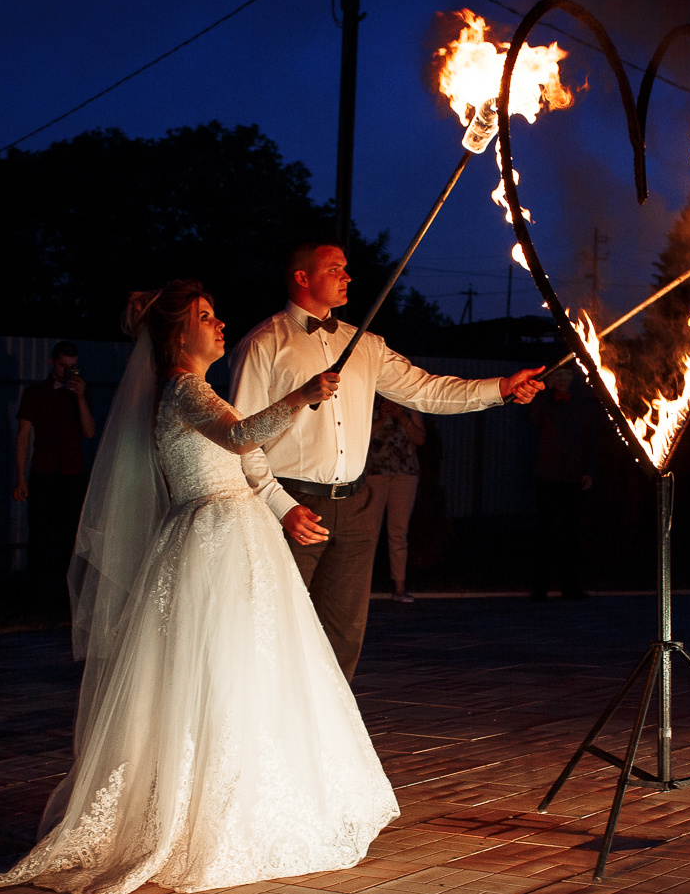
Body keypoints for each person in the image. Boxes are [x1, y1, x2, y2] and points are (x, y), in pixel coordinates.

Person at [0, 280, 397, 894]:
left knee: (251, 670)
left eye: (217, 313)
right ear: (177, 334)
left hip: (240, 535)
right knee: (216, 670)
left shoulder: (200, 390)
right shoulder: (180, 386)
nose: (219, 323)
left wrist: (280, 503)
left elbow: (246, 455)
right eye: (205, 316)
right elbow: (239, 437)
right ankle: (209, 812)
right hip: (210, 540)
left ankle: (255, 797)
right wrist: (303, 395)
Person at [230, 243, 544, 678]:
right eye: (334, 268)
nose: (347, 276)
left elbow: (427, 390)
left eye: (346, 268)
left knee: (343, 634)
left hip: (358, 507)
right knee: (274, 627)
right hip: (294, 507)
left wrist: (502, 388)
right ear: (302, 277)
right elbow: (242, 440)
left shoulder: (365, 345)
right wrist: (281, 508)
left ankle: (330, 736)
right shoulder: (263, 344)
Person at [14, 341, 94, 600]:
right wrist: (21, 478)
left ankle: (65, 597)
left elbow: (89, 431)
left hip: (73, 474)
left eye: (73, 366)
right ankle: (39, 595)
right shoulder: (35, 393)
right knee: (41, 534)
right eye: (64, 366)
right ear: (52, 362)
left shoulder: (78, 393)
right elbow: (23, 436)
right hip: (44, 472)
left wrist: (80, 397)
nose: (68, 371)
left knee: (69, 536)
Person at [528, 365, 599, 600]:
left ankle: (571, 587)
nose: (562, 380)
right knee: (544, 533)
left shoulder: (582, 402)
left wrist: (588, 470)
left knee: (572, 534)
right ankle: (539, 587)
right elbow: (534, 418)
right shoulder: (545, 401)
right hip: (547, 475)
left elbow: (590, 436)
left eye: (567, 376)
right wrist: (545, 393)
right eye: (558, 376)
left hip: (572, 477)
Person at [361, 397, 425, 604]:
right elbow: (360, 437)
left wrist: (402, 417)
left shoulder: (410, 403)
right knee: (368, 532)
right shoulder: (369, 400)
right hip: (374, 473)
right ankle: (360, 586)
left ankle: (399, 587)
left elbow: (420, 438)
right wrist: (382, 418)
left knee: (398, 532)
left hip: (405, 474)